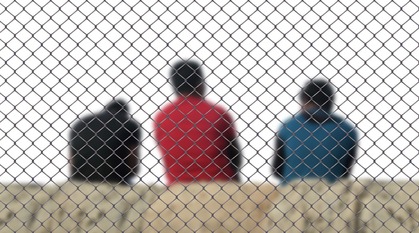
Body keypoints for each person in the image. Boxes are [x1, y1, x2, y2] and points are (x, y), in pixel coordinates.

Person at [154, 60, 242, 185]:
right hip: (221, 185)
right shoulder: (217, 113)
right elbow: (234, 155)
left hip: (178, 188)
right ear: (200, 83)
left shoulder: (162, 117)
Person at [272, 78, 358, 183]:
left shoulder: (288, 127)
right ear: (330, 102)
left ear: (304, 100)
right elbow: (345, 172)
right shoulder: (348, 130)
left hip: (291, 193)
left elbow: (276, 170)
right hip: (332, 194)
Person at [69, 99, 141, 185]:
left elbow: (72, 158)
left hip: (80, 179)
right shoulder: (129, 125)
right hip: (116, 179)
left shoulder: (81, 123)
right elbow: (132, 158)